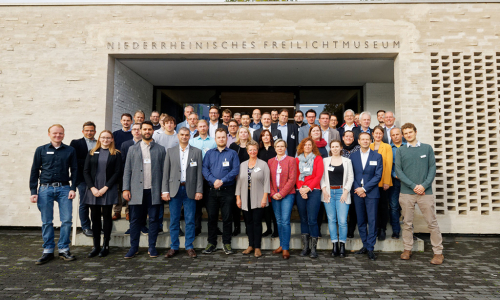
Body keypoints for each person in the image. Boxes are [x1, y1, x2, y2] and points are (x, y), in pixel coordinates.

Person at [396, 123, 444, 265]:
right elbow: (399, 171)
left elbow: (432, 169)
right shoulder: (401, 150)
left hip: (425, 192)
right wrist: (413, 186)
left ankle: (438, 252)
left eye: (410, 132)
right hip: (406, 192)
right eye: (406, 133)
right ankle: (407, 249)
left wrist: (423, 186)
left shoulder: (427, 148)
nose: (408, 135)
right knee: (407, 223)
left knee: (432, 223)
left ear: (415, 132)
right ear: (403, 136)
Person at [29, 124, 77, 265]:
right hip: (45, 189)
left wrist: (73, 188)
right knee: (47, 221)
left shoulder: (70, 150)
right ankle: (48, 250)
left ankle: (63, 249)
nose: (58, 136)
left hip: (64, 189)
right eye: (55, 133)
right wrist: (33, 191)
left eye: (60, 133)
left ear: (63, 134)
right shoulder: (41, 150)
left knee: (67, 219)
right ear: (49, 134)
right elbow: (34, 171)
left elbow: (74, 170)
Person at [122, 121, 166, 259]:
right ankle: (134, 247)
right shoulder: (132, 149)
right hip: (136, 191)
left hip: (154, 191)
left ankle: (152, 247)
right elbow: (127, 170)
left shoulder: (160, 149)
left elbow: (165, 172)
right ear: (140, 131)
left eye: (149, 129)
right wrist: (125, 189)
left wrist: (164, 190)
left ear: (153, 131)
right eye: (145, 129)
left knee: (153, 220)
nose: (147, 131)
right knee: (135, 220)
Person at [162, 127, 203, 259]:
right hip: (174, 189)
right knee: (174, 220)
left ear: (189, 137)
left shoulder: (197, 152)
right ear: (178, 136)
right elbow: (165, 173)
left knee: (190, 220)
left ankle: (189, 246)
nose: (184, 137)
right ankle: (174, 246)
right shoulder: (170, 151)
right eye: (182, 135)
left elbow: (199, 174)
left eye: (186, 135)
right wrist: (165, 190)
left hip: (190, 189)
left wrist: (199, 190)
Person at [83, 130, 121, 258]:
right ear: (99, 139)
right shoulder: (91, 153)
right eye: (103, 137)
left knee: (107, 218)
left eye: (108, 138)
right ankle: (96, 246)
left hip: (107, 189)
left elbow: (117, 172)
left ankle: (105, 245)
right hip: (93, 190)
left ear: (111, 139)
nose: (105, 140)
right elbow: (86, 171)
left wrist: (105, 187)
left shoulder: (116, 154)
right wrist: (92, 188)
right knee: (95, 218)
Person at [201, 128, 240, 255]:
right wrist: (214, 181)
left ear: (226, 138)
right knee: (212, 218)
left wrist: (222, 180)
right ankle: (211, 243)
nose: (221, 139)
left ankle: (227, 243)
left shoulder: (233, 153)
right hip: (211, 191)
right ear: (215, 139)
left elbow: (235, 170)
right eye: (219, 137)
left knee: (227, 217)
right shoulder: (209, 153)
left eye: (223, 137)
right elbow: (204, 169)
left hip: (227, 190)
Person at [350, 132, 383, 261]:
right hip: (357, 193)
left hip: (372, 193)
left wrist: (364, 188)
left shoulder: (377, 156)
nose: (364, 141)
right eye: (362, 139)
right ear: (358, 141)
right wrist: (358, 189)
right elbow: (350, 174)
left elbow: (378, 176)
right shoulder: (353, 156)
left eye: (367, 139)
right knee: (361, 220)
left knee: (372, 221)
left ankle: (370, 248)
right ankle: (365, 244)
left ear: (371, 141)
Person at [236, 141, 270, 258]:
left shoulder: (263, 164)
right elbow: (239, 183)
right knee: (248, 223)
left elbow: (266, 182)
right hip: (245, 198)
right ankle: (250, 245)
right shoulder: (243, 165)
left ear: (257, 150)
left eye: (254, 149)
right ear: (247, 151)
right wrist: (238, 198)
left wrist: (265, 198)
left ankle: (257, 247)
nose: (252, 152)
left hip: (259, 198)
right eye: (250, 150)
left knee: (257, 223)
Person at [320, 140, 354, 258]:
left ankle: (342, 245)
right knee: (331, 219)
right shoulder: (325, 161)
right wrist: (324, 191)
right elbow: (322, 177)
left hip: (342, 192)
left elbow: (350, 177)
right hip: (328, 193)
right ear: (330, 148)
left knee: (342, 220)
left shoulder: (347, 161)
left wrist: (345, 192)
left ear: (341, 148)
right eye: (332, 146)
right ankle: (334, 244)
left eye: (337, 146)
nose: (334, 148)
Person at [295, 137, 324, 259]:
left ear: (313, 147)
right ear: (302, 146)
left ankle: (313, 249)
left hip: (314, 191)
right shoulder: (297, 160)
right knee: (303, 218)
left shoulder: (318, 159)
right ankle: (305, 247)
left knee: (312, 219)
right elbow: (295, 176)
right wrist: (302, 189)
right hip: (300, 191)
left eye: (309, 145)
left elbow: (318, 176)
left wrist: (308, 189)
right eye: (305, 144)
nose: (307, 146)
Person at [268, 139, 297, 260]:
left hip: (287, 194)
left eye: (282, 146)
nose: (280, 148)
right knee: (278, 221)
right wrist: (274, 193)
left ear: (285, 148)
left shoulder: (291, 160)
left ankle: (285, 247)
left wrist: (282, 193)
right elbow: (268, 179)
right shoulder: (270, 161)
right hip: (274, 194)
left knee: (285, 221)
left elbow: (292, 179)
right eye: (277, 146)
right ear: (274, 148)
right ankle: (281, 244)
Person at [189, 119, 217, 236]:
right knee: (196, 204)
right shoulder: (192, 141)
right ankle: (197, 227)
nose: (203, 128)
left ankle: (214, 228)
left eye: (205, 126)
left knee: (211, 205)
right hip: (196, 177)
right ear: (197, 128)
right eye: (200, 126)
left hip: (210, 177)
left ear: (207, 127)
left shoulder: (214, 142)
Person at [70, 121, 97, 237]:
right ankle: (86, 227)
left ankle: (96, 227)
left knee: (96, 204)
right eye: (87, 130)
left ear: (95, 131)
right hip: (82, 178)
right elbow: (73, 161)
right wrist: (89, 162)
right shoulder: (76, 143)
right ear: (83, 131)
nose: (89, 132)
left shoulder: (99, 143)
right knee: (84, 203)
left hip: (97, 178)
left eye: (91, 130)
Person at [114, 123, 142, 223]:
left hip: (141, 174)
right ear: (131, 131)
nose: (136, 131)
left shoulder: (146, 143)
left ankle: (129, 212)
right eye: (134, 129)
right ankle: (123, 211)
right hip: (128, 172)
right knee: (125, 191)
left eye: (139, 129)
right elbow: (122, 160)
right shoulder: (125, 144)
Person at [370, 126, 393, 241]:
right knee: (373, 207)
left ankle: (382, 229)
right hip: (371, 183)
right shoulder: (369, 146)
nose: (378, 135)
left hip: (382, 183)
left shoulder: (387, 147)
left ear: (383, 135)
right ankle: (375, 229)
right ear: (372, 134)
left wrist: (386, 182)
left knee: (383, 206)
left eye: (380, 133)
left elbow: (388, 165)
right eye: (376, 133)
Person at [229, 126, 253, 236]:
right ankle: (237, 227)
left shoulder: (252, 146)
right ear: (238, 134)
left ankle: (249, 228)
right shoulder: (233, 146)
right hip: (236, 178)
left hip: (249, 179)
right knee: (236, 205)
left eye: (245, 132)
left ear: (248, 134)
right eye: (241, 132)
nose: (243, 134)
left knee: (248, 203)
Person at [257, 129, 278, 238]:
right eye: (263, 135)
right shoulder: (258, 150)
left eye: (267, 135)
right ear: (261, 138)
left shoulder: (275, 149)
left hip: (274, 181)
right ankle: (268, 229)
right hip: (261, 181)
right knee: (266, 207)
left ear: (270, 137)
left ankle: (276, 230)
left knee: (274, 207)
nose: (265, 137)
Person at [341, 130, 361, 238]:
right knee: (343, 207)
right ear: (343, 137)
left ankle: (351, 230)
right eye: (346, 136)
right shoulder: (339, 149)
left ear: (353, 138)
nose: (348, 138)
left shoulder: (358, 149)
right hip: (341, 182)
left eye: (351, 136)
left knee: (353, 208)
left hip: (355, 182)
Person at [389, 127, 406, 239]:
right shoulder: (389, 149)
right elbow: (386, 164)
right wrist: (394, 174)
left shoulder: (408, 147)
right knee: (394, 206)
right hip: (394, 180)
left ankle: (409, 232)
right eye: (393, 135)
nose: (395, 136)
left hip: (407, 182)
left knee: (407, 207)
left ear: (401, 135)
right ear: (391, 137)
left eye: (397, 134)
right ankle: (396, 231)